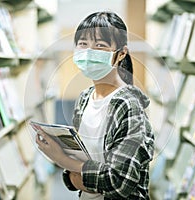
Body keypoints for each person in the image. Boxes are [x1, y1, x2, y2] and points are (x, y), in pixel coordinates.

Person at [36, 11, 154, 200]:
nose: (89, 52)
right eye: (83, 44)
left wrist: (62, 159)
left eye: (100, 45)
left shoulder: (129, 106)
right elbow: (77, 168)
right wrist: (78, 172)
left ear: (121, 53)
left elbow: (118, 182)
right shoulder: (84, 99)